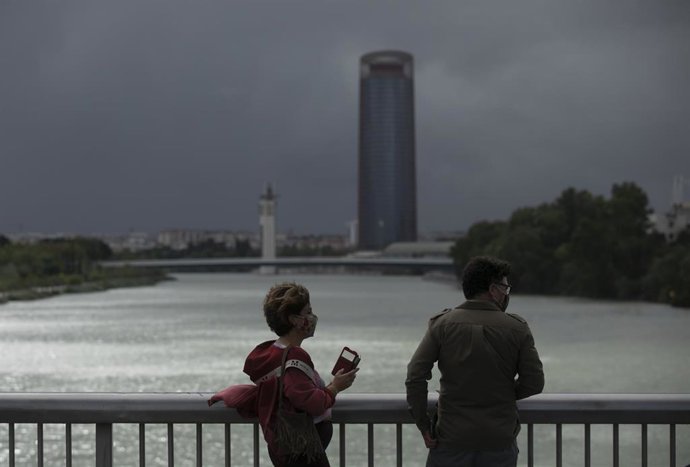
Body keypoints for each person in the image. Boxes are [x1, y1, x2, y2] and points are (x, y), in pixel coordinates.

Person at [406, 256, 544, 467]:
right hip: (499, 442)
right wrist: (502, 394)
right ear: (493, 289)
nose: (507, 294)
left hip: (450, 440)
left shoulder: (442, 324)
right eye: (505, 289)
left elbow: (415, 376)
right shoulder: (517, 328)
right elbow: (534, 382)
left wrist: (424, 425)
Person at [214, 282, 358, 467]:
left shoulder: (271, 354)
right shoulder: (294, 355)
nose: (313, 317)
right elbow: (308, 400)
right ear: (294, 320)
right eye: (308, 312)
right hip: (303, 449)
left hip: (284, 445)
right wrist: (335, 388)